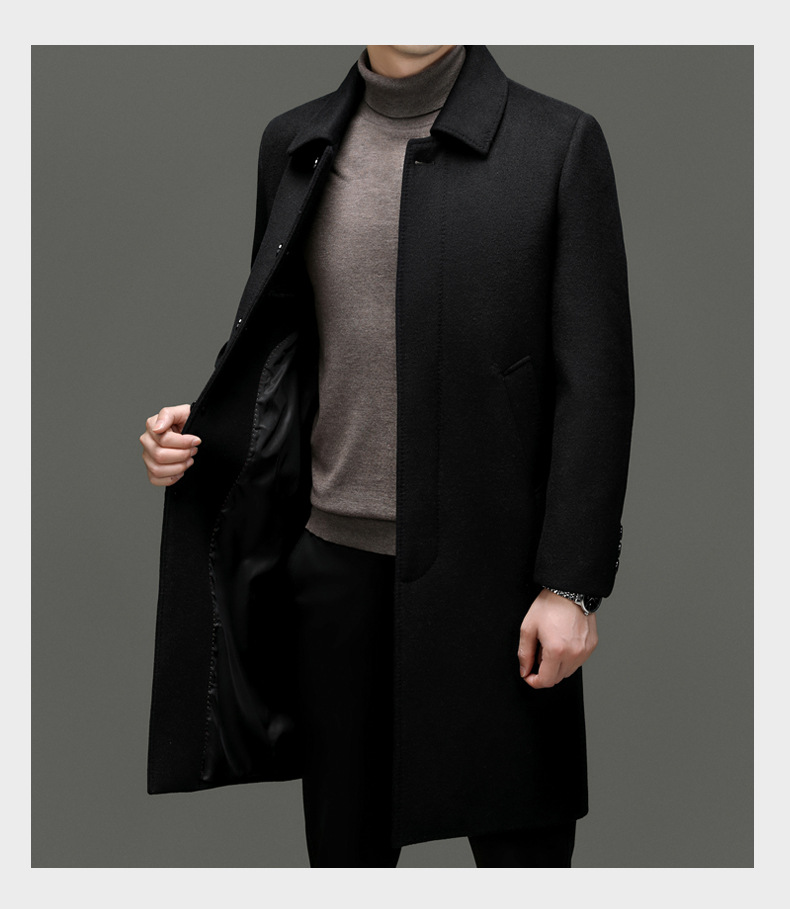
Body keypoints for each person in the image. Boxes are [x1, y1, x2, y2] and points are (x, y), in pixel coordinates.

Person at [139, 45, 635, 868]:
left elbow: (597, 384)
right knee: (347, 863)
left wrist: (571, 583)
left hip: (503, 589)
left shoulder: (558, 143)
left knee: (526, 865)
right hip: (333, 580)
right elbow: (287, 346)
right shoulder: (296, 142)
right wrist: (209, 433)